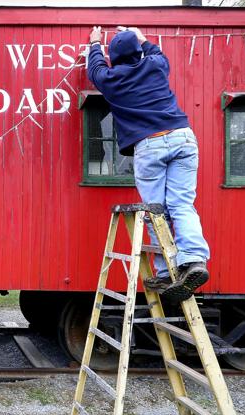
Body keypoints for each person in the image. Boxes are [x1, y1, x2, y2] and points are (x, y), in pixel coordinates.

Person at [87, 25, 210, 301]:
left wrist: (95, 44)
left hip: (149, 143)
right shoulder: (155, 66)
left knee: (156, 210)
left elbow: (94, 70)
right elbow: (156, 51)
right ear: (138, 51)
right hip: (182, 138)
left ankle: (166, 270)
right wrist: (141, 36)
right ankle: (194, 260)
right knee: (182, 204)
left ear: (114, 57)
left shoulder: (111, 78)